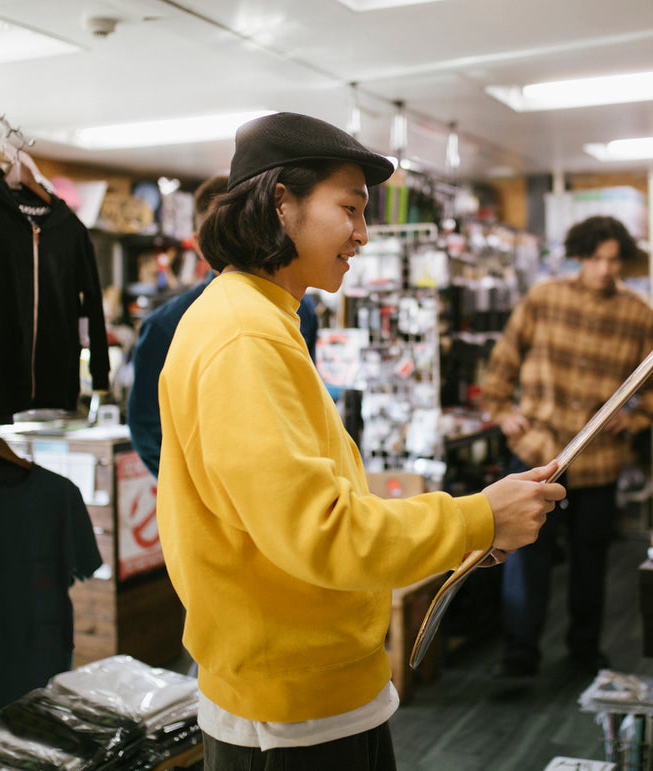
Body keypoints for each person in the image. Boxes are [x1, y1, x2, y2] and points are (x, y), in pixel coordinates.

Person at [154, 111, 566, 771]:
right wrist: (474, 516)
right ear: (281, 202)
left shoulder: (262, 318)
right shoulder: (243, 336)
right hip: (290, 711)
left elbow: (310, 507)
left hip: (306, 690)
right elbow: (322, 530)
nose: (363, 234)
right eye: (349, 208)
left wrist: (465, 534)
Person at [480, 214, 653, 679]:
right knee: (525, 558)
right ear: (580, 256)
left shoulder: (639, 315)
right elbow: (504, 357)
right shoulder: (544, 298)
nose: (605, 269)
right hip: (536, 455)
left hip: (598, 462)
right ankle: (519, 655)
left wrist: (638, 418)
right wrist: (502, 411)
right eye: (596, 258)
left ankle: (584, 652)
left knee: (591, 563)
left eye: (614, 260)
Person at [126, 173, 319, 477]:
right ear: (201, 242)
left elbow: (305, 402)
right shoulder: (165, 325)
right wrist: (199, 492)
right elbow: (148, 428)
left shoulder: (300, 309)